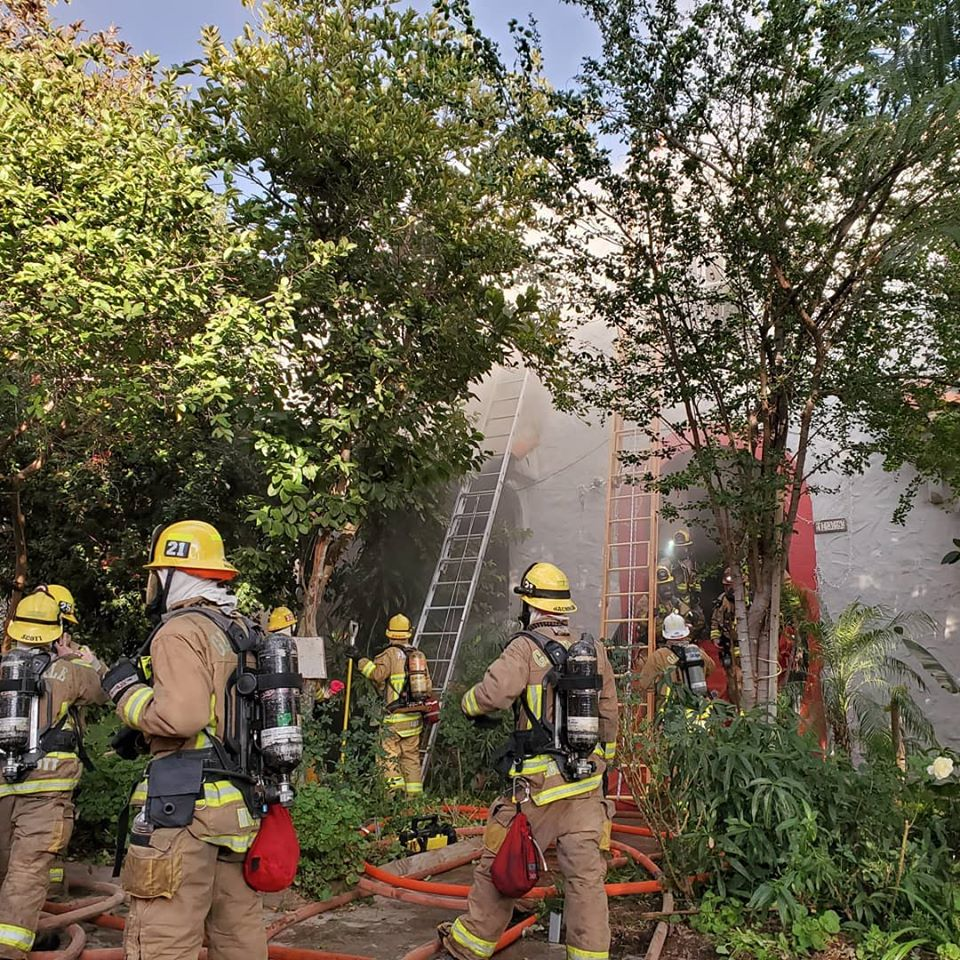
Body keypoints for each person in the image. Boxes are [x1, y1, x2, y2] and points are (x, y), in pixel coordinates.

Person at [100, 520, 268, 960]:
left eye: (156, 573)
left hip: (182, 812)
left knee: (163, 940)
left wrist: (125, 694)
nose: (152, 583)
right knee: (238, 936)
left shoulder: (180, 630)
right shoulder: (238, 631)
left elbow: (183, 717)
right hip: (237, 811)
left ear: (173, 575)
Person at [439, 561, 618, 960]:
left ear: (531, 605)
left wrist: (467, 706)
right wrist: (601, 765)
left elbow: (492, 695)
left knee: (500, 862)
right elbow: (608, 716)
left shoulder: (525, 647)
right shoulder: (594, 652)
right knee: (586, 880)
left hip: (537, 790)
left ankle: (468, 946)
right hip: (587, 789)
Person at [0, 589, 106, 959]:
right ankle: (10, 951)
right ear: (56, 631)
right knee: (28, 870)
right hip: (47, 788)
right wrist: (84, 660)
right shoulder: (68, 671)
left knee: (5, 864)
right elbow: (105, 691)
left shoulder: (3, 666)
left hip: (3, 783)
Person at [348, 614, 430, 797]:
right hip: (414, 718)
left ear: (389, 634)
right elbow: (428, 686)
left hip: (394, 717)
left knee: (388, 757)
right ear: (408, 633)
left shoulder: (389, 654)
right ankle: (415, 800)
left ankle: (394, 798)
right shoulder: (418, 655)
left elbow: (377, 675)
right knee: (411, 758)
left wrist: (359, 659)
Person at [635, 611, 716, 695]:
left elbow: (645, 682)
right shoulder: (697, 652)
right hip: (695, 702)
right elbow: (711, 668)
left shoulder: (659, 655)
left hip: (668, 705)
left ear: (664, 633)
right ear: (685, 632)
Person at [710, 568, 743, 706]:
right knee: (732, 679)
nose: (729, 589)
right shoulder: (721, 601)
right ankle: (736, 705)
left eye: (732, 586)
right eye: (727, 586)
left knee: (746, 679)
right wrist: (716, 637)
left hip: (746, 646)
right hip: (728, 646)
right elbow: (715, 621)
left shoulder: (746, 599)